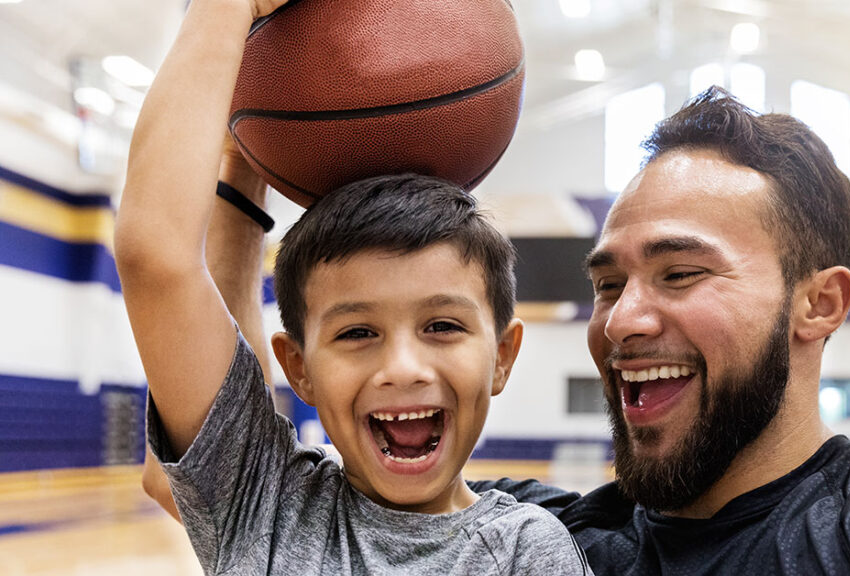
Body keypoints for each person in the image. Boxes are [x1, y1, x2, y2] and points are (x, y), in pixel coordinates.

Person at [468, 87, 850, 575]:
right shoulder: (537, 538)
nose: (622, 320)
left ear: (820, 303)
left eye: (681, 273)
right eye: (608, 285)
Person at [115, 0, 591, 574]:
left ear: (502, 356)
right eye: (358, 332)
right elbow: (156, 257)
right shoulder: (263, 501)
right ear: (299, 368)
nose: (403, 367)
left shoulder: (527, 548)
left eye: (442, 326)